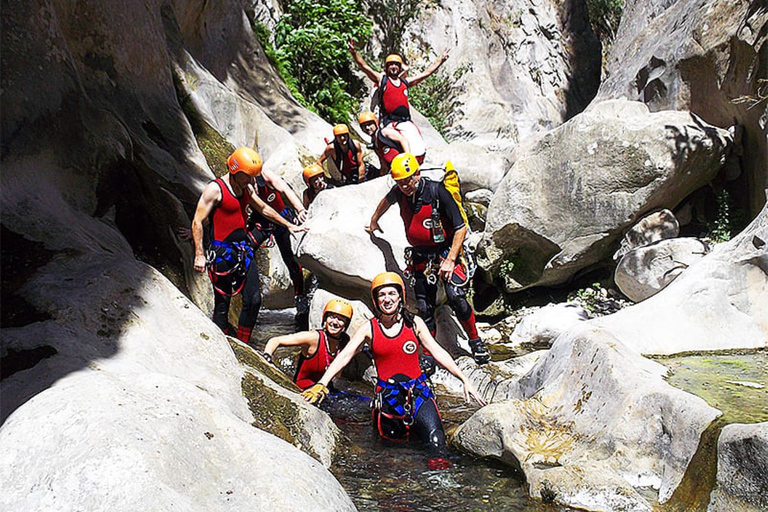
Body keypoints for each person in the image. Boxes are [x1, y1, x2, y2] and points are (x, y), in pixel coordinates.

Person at [301, 272, 485, 453]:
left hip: (419, 394)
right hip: (388, 398)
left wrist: (464, 379)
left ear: (400, 297)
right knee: (392, 452)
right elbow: (345, 355)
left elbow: (437, 351)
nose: (387, 299)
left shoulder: (415, 323)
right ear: (376, 300)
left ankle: (439, 478)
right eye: (381, 294)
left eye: (391, 293)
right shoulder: (369, 329)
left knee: (436, 441)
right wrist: (322, 383)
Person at [365, 154, 491, 365]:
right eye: (400, 182)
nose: (405, 186)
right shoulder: (400, 192)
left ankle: (476, 342)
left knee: (456, 296)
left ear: (417, 174)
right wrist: (373, 221)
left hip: (446, 251)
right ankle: (429, 355)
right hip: (421, 257)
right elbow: (385, 202)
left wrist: (451, 259)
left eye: (407, 180)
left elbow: (461, 227)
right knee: (425, 307)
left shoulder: (437, 191)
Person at [192, 147, 306, 343]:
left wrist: (288, 224)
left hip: (243, 250)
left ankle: (243, 344)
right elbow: (197, 222)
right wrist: (199, 254)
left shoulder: (248, 188)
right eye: (248, 176)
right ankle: (222, 341)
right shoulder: (215, 189)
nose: (252, 180)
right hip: (221, 253)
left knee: (253, 300)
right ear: (235, 171)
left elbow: (263, 208)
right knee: (222, 303)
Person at [247, 164, 310, 323]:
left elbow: (285, 190)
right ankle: (249, 291)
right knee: (246, 249)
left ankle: (300, 296)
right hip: (263, 220)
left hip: (282, 218)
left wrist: (300, 209)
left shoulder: (266, 176)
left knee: (290, 259)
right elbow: (262, 209)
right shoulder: (246, 187)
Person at [349, 40, 448, 137]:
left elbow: (426, 73)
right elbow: (364, 66)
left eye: (396, 65)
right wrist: (354, 53)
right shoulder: (381, 79)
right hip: (388, 122)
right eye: (390, 64)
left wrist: (441, 60)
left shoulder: (405, 82)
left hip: (405, 121)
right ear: (386, 68)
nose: (393, 67)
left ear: (400, 68)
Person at [263, 299, 353, 390]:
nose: (335, 322)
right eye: (332, 317)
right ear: (325, 319)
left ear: (346, 324)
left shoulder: (344, 341)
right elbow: (275, 340)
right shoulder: (312, 338)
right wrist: (267, 355)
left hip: (325, 389)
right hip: (303, 390)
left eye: (340, 319)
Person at [358, 111, 424, 176]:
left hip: (405, 167)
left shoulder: (384, 132)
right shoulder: (374, 144)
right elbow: (383, 164)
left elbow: (403, 140)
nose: (367, 128)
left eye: (369, 124)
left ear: (375, 123)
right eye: (364, 126)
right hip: (396, 172)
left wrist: (408, 160)